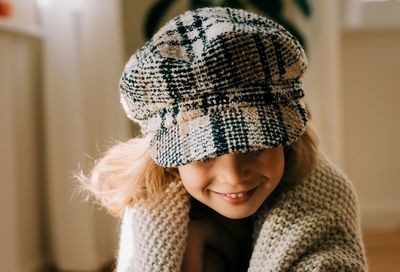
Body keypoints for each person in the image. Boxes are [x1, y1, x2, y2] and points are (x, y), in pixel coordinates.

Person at [80, 7, 367, 271]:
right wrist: (194, 245)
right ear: (168, 160)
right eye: (203, 155)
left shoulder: (323, 200)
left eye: (254, 146)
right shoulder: (154, 210)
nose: (233, 176)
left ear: (288, 138)